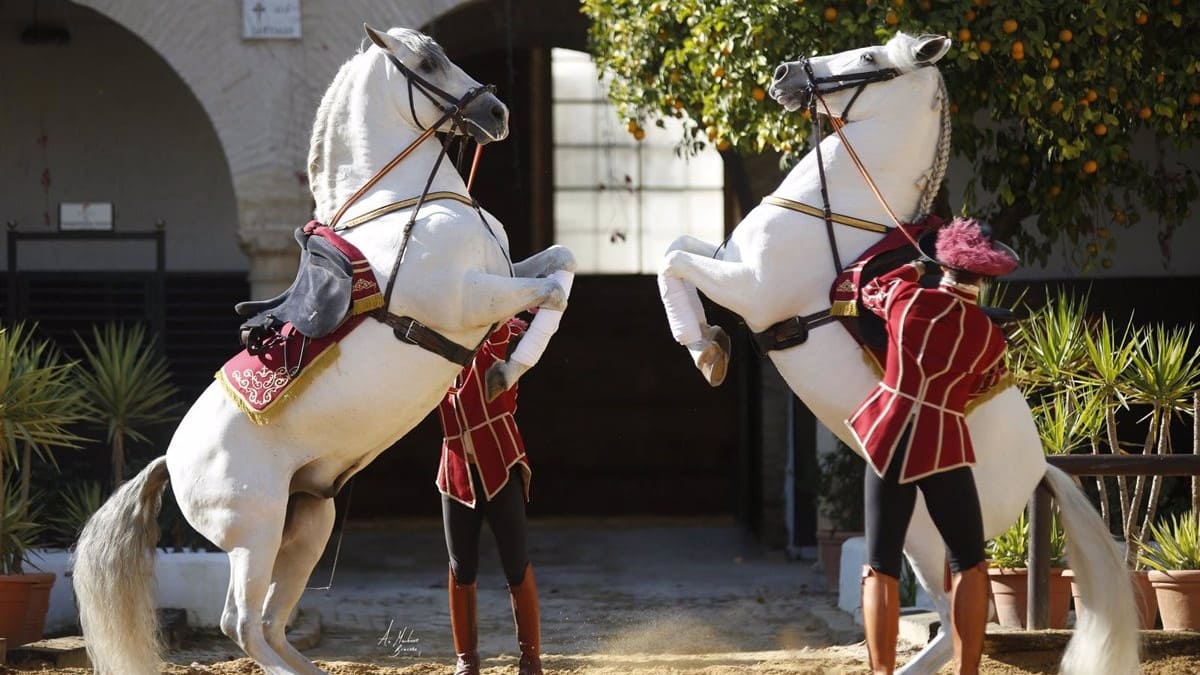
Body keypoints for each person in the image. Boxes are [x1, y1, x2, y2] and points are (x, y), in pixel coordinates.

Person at [846, 217, 1018, 675]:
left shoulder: (906, 298)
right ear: (985, 277)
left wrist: (917, 266)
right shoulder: (989, 337)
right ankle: (967, 672)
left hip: (888, 436)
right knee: (970, 561)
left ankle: (881, 672)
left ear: (943, 264)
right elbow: (986, 383)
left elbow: (864, 287)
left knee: (880, 562)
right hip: (943, 445)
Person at [437, 316, 543, 675]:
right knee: (460, 567)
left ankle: (530, 659)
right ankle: (466, 659)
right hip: (455, 473)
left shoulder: (501, 335)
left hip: (500, 464)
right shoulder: (435, 349)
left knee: (516, 563)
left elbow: (514, 327)